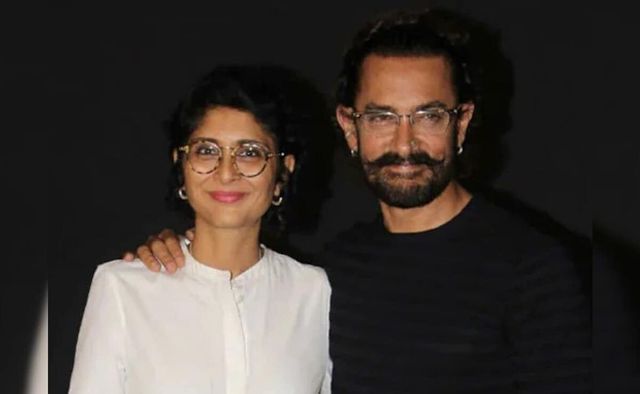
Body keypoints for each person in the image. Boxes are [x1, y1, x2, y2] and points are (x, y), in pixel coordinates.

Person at [130, 9, 591, 393]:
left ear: (462, 122)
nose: (405, 143)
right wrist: (179, 259)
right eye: (382, 117)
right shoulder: (332, 273)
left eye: (428, 115)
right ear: (350, 126)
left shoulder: (534, 269)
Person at [69, 65, 332, 393]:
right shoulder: (123, 289)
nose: (225, 173)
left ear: (282, 172)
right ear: (181, 165)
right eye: (207, 151)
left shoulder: (315, 294)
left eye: (249, 153)